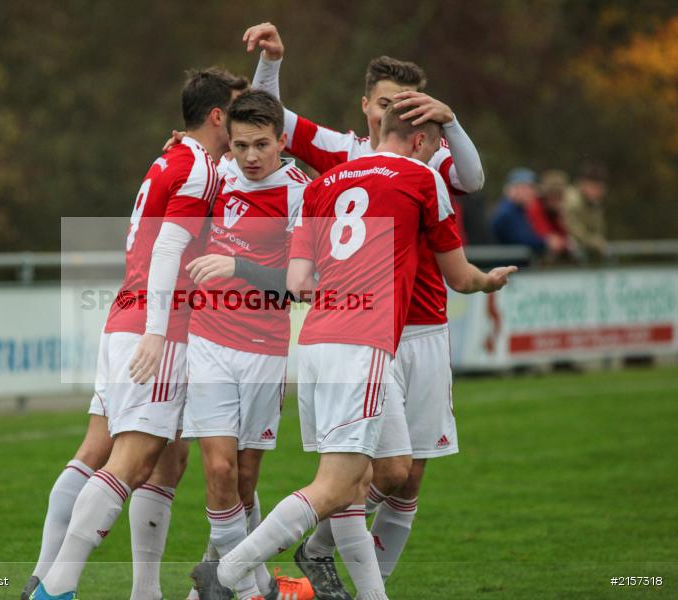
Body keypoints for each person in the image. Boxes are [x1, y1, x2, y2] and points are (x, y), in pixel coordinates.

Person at [192, 104, 516, 600]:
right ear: (421, 142)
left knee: (385, 468)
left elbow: (299, 283)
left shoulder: (323, 183)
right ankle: (225, 572)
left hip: (317, 339)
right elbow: (458, 276)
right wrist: (488, 281)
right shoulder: (423, 179)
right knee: (337, 485)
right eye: (434, 146)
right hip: (361, 344)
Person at [243, 22, 488, 594]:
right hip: (365, 332)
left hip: (422, 327)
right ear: (365, 106)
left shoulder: (431, 158)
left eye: (409, 104)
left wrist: (450, 121)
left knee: (408, 478)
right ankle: (310, 561)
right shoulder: (344, 153)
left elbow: (473, 179)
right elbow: (268, 117)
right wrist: (271, 63)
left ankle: (328, 558)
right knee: (366, 470)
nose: (394, 113)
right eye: (384, 103)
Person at [30, 67, 249, 600]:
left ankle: (140, 591)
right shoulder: (197, 168)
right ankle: (55, 586)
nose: (245, 122)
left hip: (127, 318)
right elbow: (169, 248)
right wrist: (157, 332)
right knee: (131, 460)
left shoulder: (173, 158)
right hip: (158, 328)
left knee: (162, 458)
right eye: (238, 111)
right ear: (217, 116)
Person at [179, 90, 310, 600]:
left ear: (282, 141)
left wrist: (237, 266)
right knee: (218, 467)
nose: (250, 157)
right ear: (227, 142)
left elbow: (300, 286)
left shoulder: (300, 193)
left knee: (245, 480)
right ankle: (255, 592)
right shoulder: (216, 173)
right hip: (208, 338)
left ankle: (216, 582)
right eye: (240, 146)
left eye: (261, 145)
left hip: (264, 346)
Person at [490, 167, 547, 254]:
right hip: (504, 260)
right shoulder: (507, 211)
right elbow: (522, 240)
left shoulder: (518, 209)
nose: (532, 192)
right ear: (512, 189)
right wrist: (546, 242)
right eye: (526, 188)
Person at [564, 161, 608, 261]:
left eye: (601, 188)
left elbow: (598, 230)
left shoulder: (594, 203)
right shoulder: (572, 201)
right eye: (595, 187)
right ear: (583, 184)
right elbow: (574, 230)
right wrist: (595, 242)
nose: (599, 191)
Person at [527, 170, 574, 262]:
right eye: (552, 197)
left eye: (558, 197)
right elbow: (543, 233)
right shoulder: (535, 207)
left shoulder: (558, 210)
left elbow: (565, 231)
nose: (555, 202)